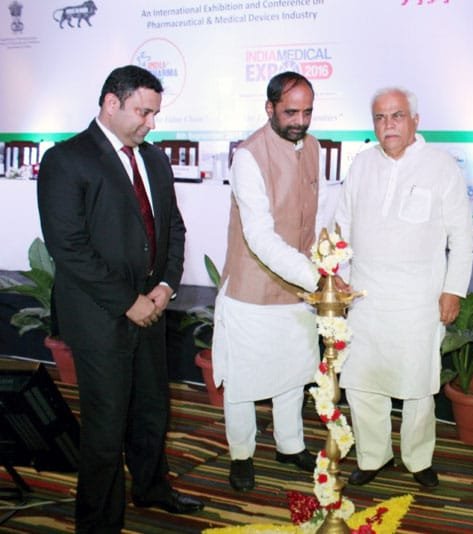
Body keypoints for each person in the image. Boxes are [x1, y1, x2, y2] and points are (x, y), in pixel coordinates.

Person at [37, 65, 202, 533]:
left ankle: (152, 488)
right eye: (143, 112)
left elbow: (172, 228)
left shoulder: (155, 160)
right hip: (100, 316)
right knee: (106, 426)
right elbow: (67, 246)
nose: (151, 123)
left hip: (150, 309)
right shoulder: (66, 160)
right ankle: (99, 523)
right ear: (112, 103)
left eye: (155, 113)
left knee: (152, 409)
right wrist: (128, 301)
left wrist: (165, 288)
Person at [334, 87, 473, 488]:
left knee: (417, 385)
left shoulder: (441, 165)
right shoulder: (360, 164)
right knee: (362, 381)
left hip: (418, 299)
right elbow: (341, 227)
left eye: (397, 116)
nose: (388, 125)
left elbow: (462, 238)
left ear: (415, 120)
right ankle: (372, 455)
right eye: (379, 118)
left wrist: (453, 290)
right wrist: (337, 275)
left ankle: (417, 459)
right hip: (363, 297)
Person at [213, 71, 331, 492]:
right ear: (269, 109)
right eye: (291, 112)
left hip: (298, 289)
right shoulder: (248, 155)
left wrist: (323, 262)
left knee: (292, 372)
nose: (300, 121)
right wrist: (317, 278)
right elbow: (259, 236)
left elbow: (312, 218)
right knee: (244, 381)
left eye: (308, 111)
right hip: (253, 288)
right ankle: (241, 455)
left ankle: (289, 445)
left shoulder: (314, 147)